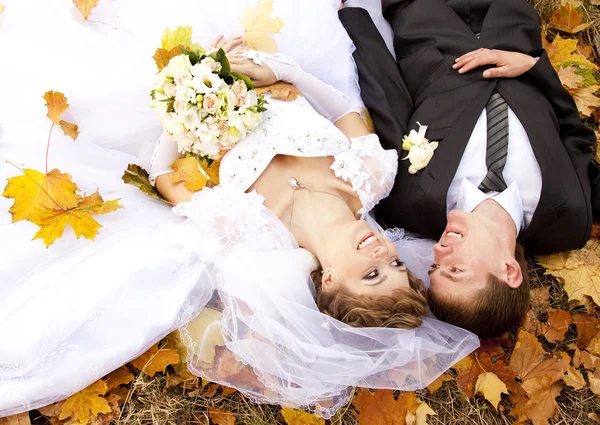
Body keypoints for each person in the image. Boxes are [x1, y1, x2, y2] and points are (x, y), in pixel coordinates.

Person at [0, 27, 478, 425]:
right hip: (269, 53)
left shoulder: (249, 228)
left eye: (372, 274)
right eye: (395, 262)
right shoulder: (371, 178)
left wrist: (191, 95)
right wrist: (281, 72)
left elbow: (165, 176)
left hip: (196, 89)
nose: (381, 252)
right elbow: (346, 111)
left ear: (329, 280)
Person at [339, 0, 597, 338]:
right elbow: (574, 132)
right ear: (509, 271)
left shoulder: (410, 203)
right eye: (455, 269)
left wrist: (355, 13)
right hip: (508, 18)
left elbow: (389, 102)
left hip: (424, 19)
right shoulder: (570, 216)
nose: (438, 251)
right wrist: (533, 66)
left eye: (434, 266)